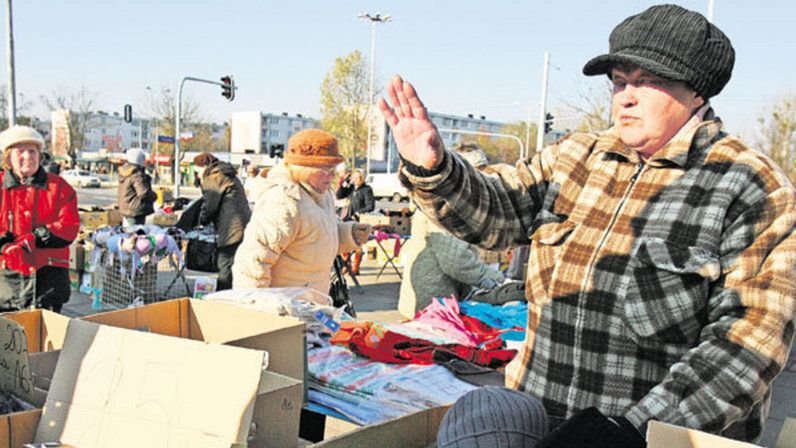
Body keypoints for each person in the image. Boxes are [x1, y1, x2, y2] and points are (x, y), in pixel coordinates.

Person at [379, 4, 796, 445]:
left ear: (697, 92)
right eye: (619, 82)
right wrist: (435, 168)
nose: (625, 97)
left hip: (649, 438)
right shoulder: (576, 156)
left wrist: (632, 430)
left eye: (647, 81)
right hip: (543, 424)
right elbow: (495, 212)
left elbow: (748, 342)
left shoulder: (751, 186)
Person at [232, 129, 371, 293]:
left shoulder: (320, 193)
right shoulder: (283, 201)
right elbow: (252, 263)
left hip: (309, 305)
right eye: (326, 169)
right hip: (283, 309)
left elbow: (312, 237)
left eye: (334, 168)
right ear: (304, 168)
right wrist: (259, 310)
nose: (333, 175)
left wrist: (348, 234)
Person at [398, 144, 508, 319]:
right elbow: (456, 261)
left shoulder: (453, 199)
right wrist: (498, 280)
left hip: (434, 297)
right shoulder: (445, 203)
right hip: (432, 300)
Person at [0, 125, 80, 313]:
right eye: (21, 151)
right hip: (6, 281)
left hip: (48, 282)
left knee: (46, 338)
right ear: (8, 158)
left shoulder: (59, 187)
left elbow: (69, 226)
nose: (28, 156)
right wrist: (4, 245)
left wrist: (36, 237)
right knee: (9, 339)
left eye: (32, 151)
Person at [193, 152, 251, 291]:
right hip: (243, 223)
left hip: (232, 225)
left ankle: (223, 296)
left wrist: (201, 220)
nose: (197, 174)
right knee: (235, 262)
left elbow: (210, 205)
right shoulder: (226, 173)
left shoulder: (214, 177)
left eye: (197, 170)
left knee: (225, 263)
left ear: (205, 166)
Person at [335, 168, 375, 275]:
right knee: (345, 243)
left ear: (362, 178)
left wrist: (358, 212)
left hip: (357, 219)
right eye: (354, 177)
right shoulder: (351, 188)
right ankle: (345, 266)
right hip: (346, 218)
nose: (355, 179)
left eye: (357, 177)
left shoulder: (366, 189)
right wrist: (345, 183)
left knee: (357, 243)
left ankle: (355, 268)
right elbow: (339, 195)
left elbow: (371, 206)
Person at [118, 148, 157, 226]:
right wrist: (154, 196)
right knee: (136, 234)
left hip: (127, 209)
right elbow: (143, 192)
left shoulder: (126, 172)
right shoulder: (136, 174)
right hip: (136, 210)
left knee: (129, 233)